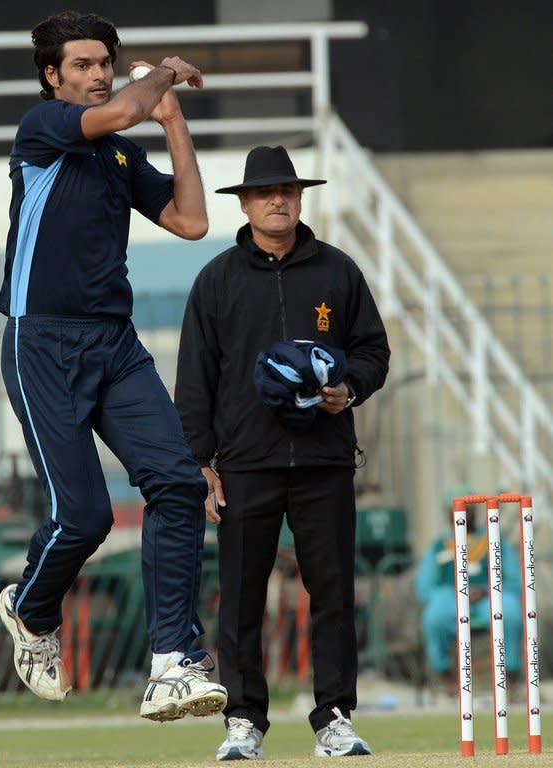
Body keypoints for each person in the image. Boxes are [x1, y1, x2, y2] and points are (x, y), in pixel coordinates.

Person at [0, 10, 227, 722]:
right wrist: (160, 75)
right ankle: (32, 610)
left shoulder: (120, 156)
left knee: (180, 483)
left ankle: (171, 663)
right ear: (52, 76)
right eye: (84, 65)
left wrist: (174, 118)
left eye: (105, 63)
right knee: (85, 515)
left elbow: (192, 221)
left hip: (114, 344)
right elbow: (124, 106)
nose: (98, 74)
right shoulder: (43, 131)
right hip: (43, 342)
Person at [174, 145, 390, 759]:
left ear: (300, 200)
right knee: (241, 598)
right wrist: (201, 463)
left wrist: (348, 392)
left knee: (334, 594)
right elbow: (195, 380)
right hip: (245, 464)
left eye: (289, 192)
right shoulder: (216, 279)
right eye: (266, 192)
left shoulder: (338, 270)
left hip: (324, 460)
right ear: (244, 203)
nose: (278, 201)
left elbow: (374, 351)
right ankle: (243, 721)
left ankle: (335, 718)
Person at [415, 490, 523, 695]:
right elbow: (424, 587)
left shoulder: (494, 540)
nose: (463, 514)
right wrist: (457, 593)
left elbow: (514, 580)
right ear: (448, 513)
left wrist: (486, 590)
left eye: (468, 510)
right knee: (434, 614)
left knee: (509, 610)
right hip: (451, 601)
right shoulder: (439, 545)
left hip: (488, 598)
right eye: (456, 510)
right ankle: (446, 674)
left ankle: (510, 675)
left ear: (475, 511)